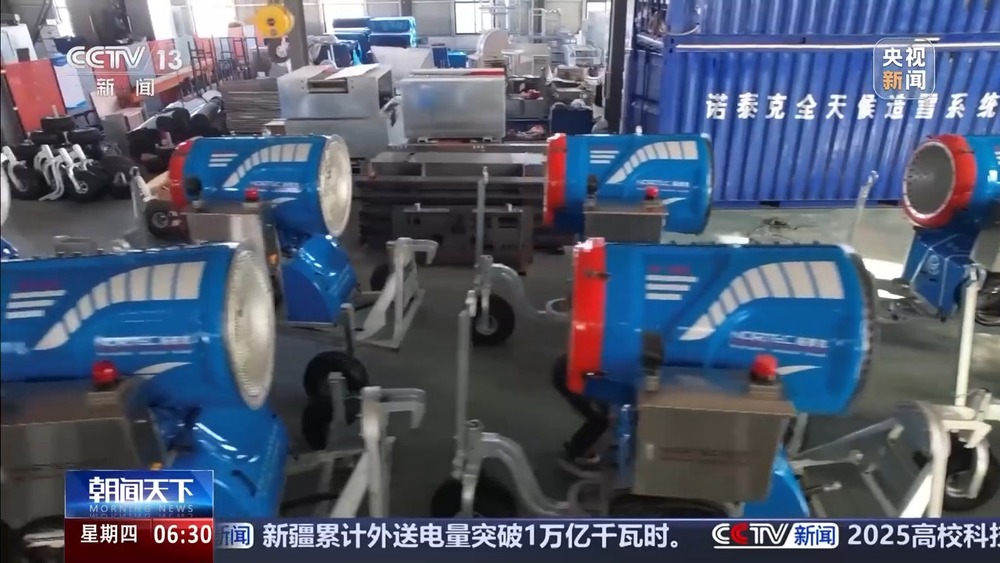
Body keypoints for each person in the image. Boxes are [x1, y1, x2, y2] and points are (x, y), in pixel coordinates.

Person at [551, 355, 610, 473]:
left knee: (600, 417)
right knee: (598, 421)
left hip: (573, 372)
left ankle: (579, 447)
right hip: (569, 377)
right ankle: (576, 452)